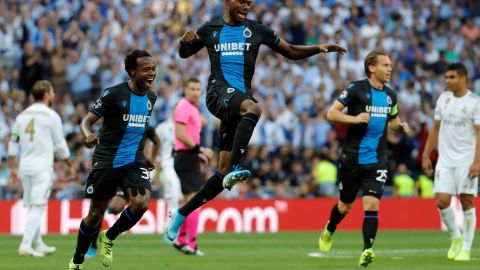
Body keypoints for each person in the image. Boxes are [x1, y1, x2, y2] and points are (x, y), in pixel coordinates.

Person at [166, 0, 347, 242]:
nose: (246, 6)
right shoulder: (210, 29)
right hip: (217, 93)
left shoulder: (257, 29)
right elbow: (184, 53)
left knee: (221, 175)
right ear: (229, 2)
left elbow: (291, 51)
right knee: (254, 108)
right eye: (242, 2)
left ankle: (181, 214)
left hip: (238, 104)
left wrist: (320, 48)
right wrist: (183, 42)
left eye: (249, 3)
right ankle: (237, 167)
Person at [318, 49, 410, 267]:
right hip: (352, 159)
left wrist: (401, 127)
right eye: (385, 65)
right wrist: (354, 118)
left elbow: (393, 120)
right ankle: (330, 229)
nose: (390, 69)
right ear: (372, 67)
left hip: (378, 159)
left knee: (371, 203)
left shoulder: (390, 95)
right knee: (345, 206)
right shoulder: (356, 89)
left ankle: (367, 249)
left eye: (390, 65)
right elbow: (331, 113)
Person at [68, 49, 157, 270]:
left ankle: (109, 237)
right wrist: (86, 134)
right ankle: (77, 260)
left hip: (134, 161)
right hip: (107, 159)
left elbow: (141, 129)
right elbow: (86, 121)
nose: (151, 73)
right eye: (146, 69)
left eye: (153, 69)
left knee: (141, 203)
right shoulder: (113, 94)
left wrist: (147, 155)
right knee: (95, 215)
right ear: (132, 71)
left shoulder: (151, 98)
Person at [7, 80, 74, 257]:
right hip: (42, 167)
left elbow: (13, 144)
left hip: (25, 167)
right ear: (45, 95)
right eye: (51, 92)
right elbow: (60, 144)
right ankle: (25, 244)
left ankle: (38, 242)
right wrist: (69, 164)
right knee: (38, 205)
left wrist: (13, 169)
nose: (53, 95)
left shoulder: (21, 116)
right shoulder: (51, 116)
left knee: (32, 204)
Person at [422, 63, 480, 262]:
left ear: (463, 78)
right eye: (446, 77)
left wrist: (477, 162)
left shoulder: (474, 102)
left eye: (452, 77)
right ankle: (456, 237)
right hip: (445, 160)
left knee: (467, 202)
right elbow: (435, 129)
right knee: (442, 201)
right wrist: (426, 154)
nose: (448, 81)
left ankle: (465, 247)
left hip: (466, 160)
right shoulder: (443, 99)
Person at [85, 124, 160, 258]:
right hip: (110, 168)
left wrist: (151, 158)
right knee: (101, 210)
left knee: (116, 207)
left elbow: (157, 140)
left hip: (132, 171)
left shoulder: (142, 123)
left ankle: (109, 236)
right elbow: (99, 143)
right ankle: (93, 244)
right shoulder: (114, 123)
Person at [171, 77, 213, 256]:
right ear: (185, 90)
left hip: (188, 157)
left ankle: (181, 240)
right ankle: (191, 244)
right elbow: (180, 134)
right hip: (186, 158)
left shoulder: (192, 109)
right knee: (195, 202)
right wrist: (199, 151)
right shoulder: (183, 107)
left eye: (198, 89)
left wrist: (198, 153)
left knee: (189, 202)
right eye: (192, 89)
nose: (195, 92)